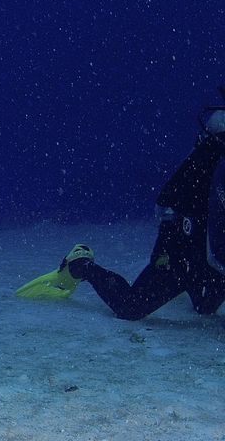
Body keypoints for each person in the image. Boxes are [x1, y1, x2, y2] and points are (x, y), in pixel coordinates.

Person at [17, 107, 225, 320]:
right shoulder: (211, 155)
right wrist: (167, 249)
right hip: (181, 249)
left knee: (205, 306)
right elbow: (168, 199)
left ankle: (194, 284)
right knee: (130, 308)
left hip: (207, 255)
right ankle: (82, 265)